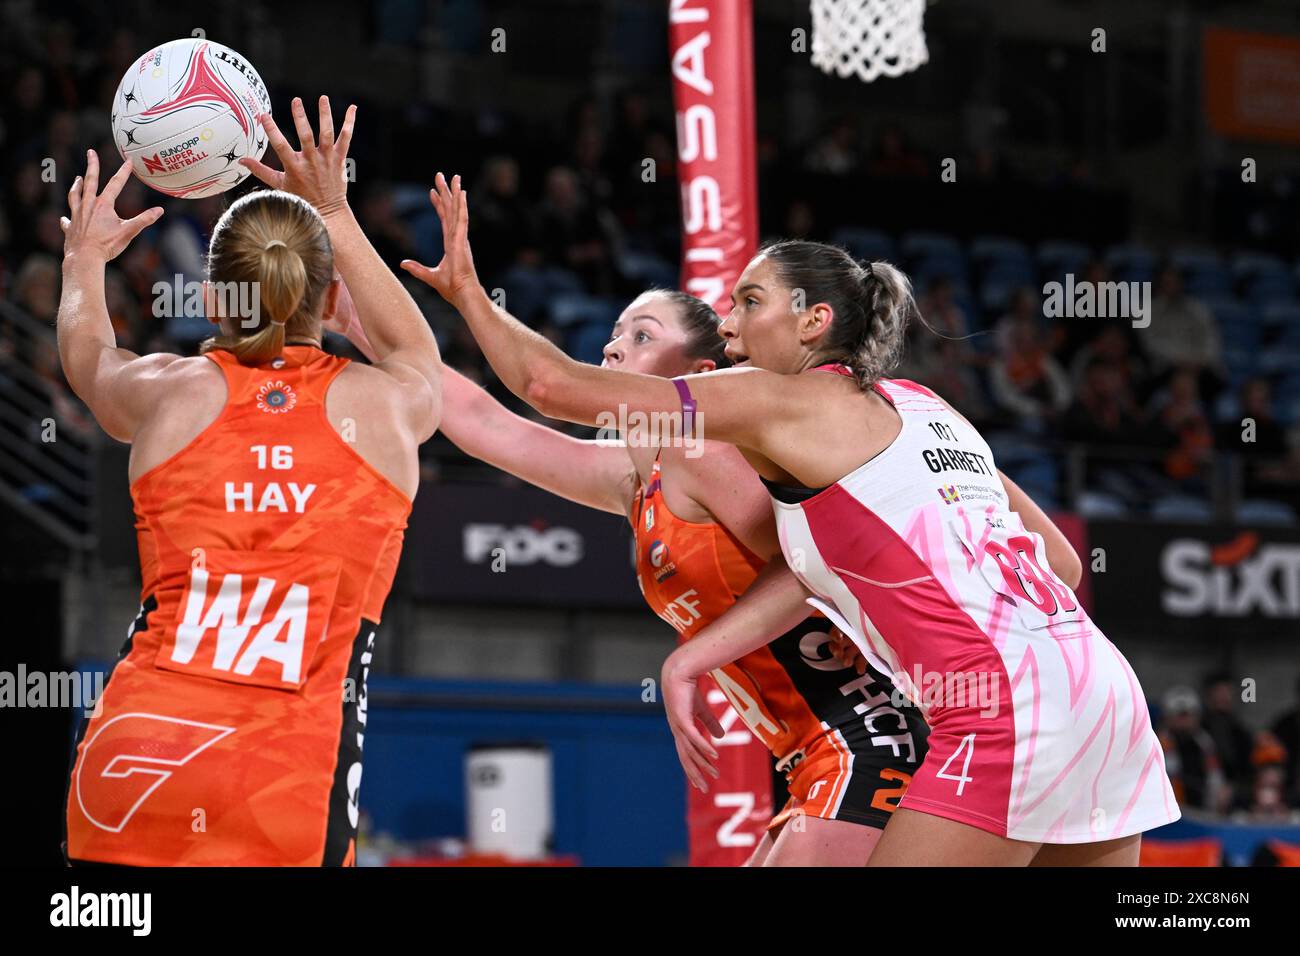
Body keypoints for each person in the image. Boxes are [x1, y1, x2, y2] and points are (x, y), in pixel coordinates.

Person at [405, 186, 1178, 864]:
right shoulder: (924, 406)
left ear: (813, 323)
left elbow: (550, 385)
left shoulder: (774, 402)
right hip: (1099, 687)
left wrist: (471, 292)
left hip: (995, 704)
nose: (730, 325)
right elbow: (1064, 566)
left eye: (749, 303)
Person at [388, 177, 929, 866]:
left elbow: (810, 567)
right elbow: (481, 422)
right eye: (614, 333)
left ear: (698, 376)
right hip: (812, 760)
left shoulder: (706, 450)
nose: (613, 349)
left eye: (641, 336)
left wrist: (687, 662)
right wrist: (357, 303)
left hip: (869, 746)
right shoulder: (635, 477)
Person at [60, 97, 441, 866]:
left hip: (133, 762)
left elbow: (88, 360)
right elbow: (416, 352)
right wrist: (333, 211)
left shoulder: (169, 392)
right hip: (284, 783)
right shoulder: (386, 406)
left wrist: (84, 262)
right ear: (331, 302)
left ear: (208, 299)